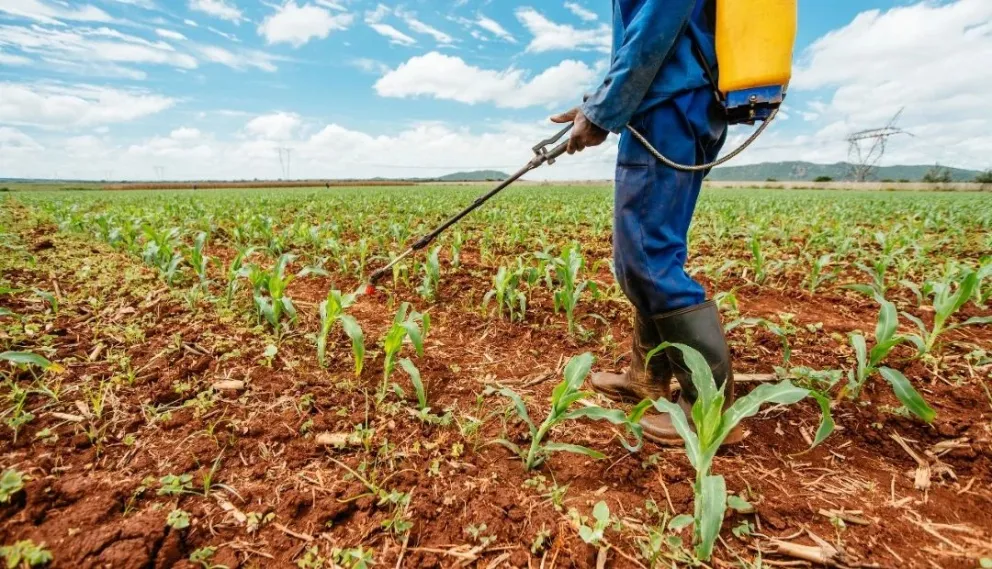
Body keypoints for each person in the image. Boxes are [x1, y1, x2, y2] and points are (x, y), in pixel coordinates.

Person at [550, 0, 741, 445]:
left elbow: (657, 24)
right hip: (684, 101)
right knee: (655, 253)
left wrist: (604, 109)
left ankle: (709, 412)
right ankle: (647, 376)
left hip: (668, 106)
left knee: (647, 259)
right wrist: (602, 98)